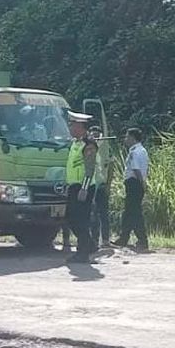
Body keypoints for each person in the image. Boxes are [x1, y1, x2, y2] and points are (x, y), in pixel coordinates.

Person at [64, 111, 99, 264]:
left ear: (80, 127)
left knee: (80, 220)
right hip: (74, 186)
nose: (70, 127)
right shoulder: (75, 143)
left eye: (72, 125)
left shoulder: (88, 144)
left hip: (83, 187)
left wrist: (84, 188)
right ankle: (89, 244)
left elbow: (90, 168)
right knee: (71, 218)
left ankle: (83, 252)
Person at [113, 128, 150, 252]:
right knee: (129, 212)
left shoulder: (135, 152)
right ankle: (124, 238)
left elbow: (136, 169)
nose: (125, 139)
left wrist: (141, 182)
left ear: (133, 138)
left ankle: (142, 240)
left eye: (127, 137)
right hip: (136, 183)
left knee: (134, 213)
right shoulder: (142, 150)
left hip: (134, 182)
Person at [87, 126, 112, 248]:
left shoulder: (104, 148)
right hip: (91, 184)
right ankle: (95, 240)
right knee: (93, 214)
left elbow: (111, 165)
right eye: (93, 135)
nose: (95, 137)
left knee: (103, 213)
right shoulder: (88, 147)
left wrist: (108, 185)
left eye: (97, 135)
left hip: (101, 184)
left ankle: (106, 239)